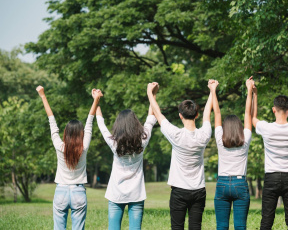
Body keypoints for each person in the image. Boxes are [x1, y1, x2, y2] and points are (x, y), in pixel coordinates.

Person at [146, 81, 213, 230]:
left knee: (177, 227)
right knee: (196, 227)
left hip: (179, 191)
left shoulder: (176, 135)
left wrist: (150, 93)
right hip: (199, 190)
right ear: (196, 115)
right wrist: (212, 91)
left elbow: (158, 113)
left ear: (180, 116)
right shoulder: (204, 135)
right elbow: (207, 113)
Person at [36, 86, 102, 230]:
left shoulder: (60, 147)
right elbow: (90, 122)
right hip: (79, 192)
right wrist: (96, 99)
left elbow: (51, 121)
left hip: (61, 192)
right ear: (81, 134)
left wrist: (43, 96)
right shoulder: (83, 147)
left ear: (66, 133)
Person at [252, 74, 288, 230]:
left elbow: (252, 117)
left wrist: (254, 94)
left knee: (266, 220)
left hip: (271, 177)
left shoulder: (266, 128)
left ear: (273, 110)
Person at [95, 86, 158, 230]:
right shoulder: (143, 139)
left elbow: (101, 123)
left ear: (118, 125)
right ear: (135, 123)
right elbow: (151, 118)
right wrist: (152, 95)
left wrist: (96, 101)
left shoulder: (114, 142)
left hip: (116, 193)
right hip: (137, 194)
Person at [210, 77, 254, 230]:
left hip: (222, 183)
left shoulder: (220, 140)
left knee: (221, 226)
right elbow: (248, 114)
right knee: (240, 226)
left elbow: (216, 113)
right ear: (239, 128)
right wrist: (250, 91)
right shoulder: (245, 139)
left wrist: (213, 91)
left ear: (225, 128)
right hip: (240, 183)